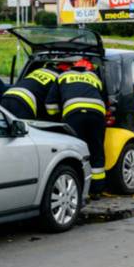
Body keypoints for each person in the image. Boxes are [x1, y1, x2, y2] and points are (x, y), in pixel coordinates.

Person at [46, 58, 106, 195]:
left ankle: (78, 189)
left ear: (70, 68)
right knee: (97, 150)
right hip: (96, 115)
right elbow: (104, 98)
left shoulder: (62, 76)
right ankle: (96, 190)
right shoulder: (94, 77)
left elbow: (51, 104)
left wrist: (56, 119)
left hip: (74, 116)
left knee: (76, 152)